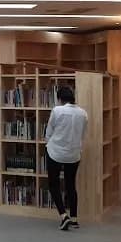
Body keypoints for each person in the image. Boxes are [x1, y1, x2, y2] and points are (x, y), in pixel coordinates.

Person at [45, 86, 88, 231]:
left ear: (60, 99)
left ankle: (64, 216)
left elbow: (49, 132)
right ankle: (74, 219)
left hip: (55, 152)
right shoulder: (83, 113)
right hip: (73, 154)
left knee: (54, 184)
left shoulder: (57, 110)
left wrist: (49, 143)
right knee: (71, 184)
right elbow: (82, 135)